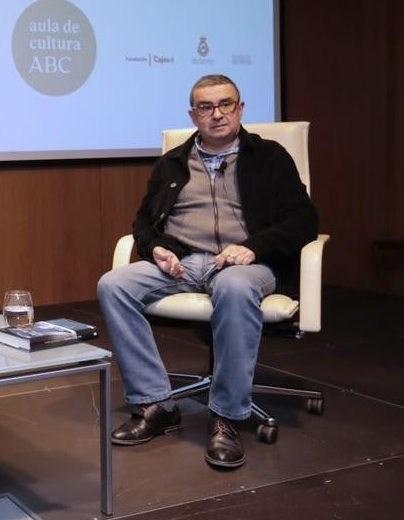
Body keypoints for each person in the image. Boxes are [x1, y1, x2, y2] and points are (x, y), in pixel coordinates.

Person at [96, 74, 318, 469]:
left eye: (225, 104)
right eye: (205, 107)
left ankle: (227, 418)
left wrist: (252, 248)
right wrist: (156, 248)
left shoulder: (270, 157)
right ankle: (155, 402)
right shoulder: (172, 163)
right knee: (113, 285)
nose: (217, 114)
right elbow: (144, 222)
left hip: (246, 264)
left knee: (233, 287)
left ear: (240, 108)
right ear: (193, 114)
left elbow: (304, 221)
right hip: (183, 262)